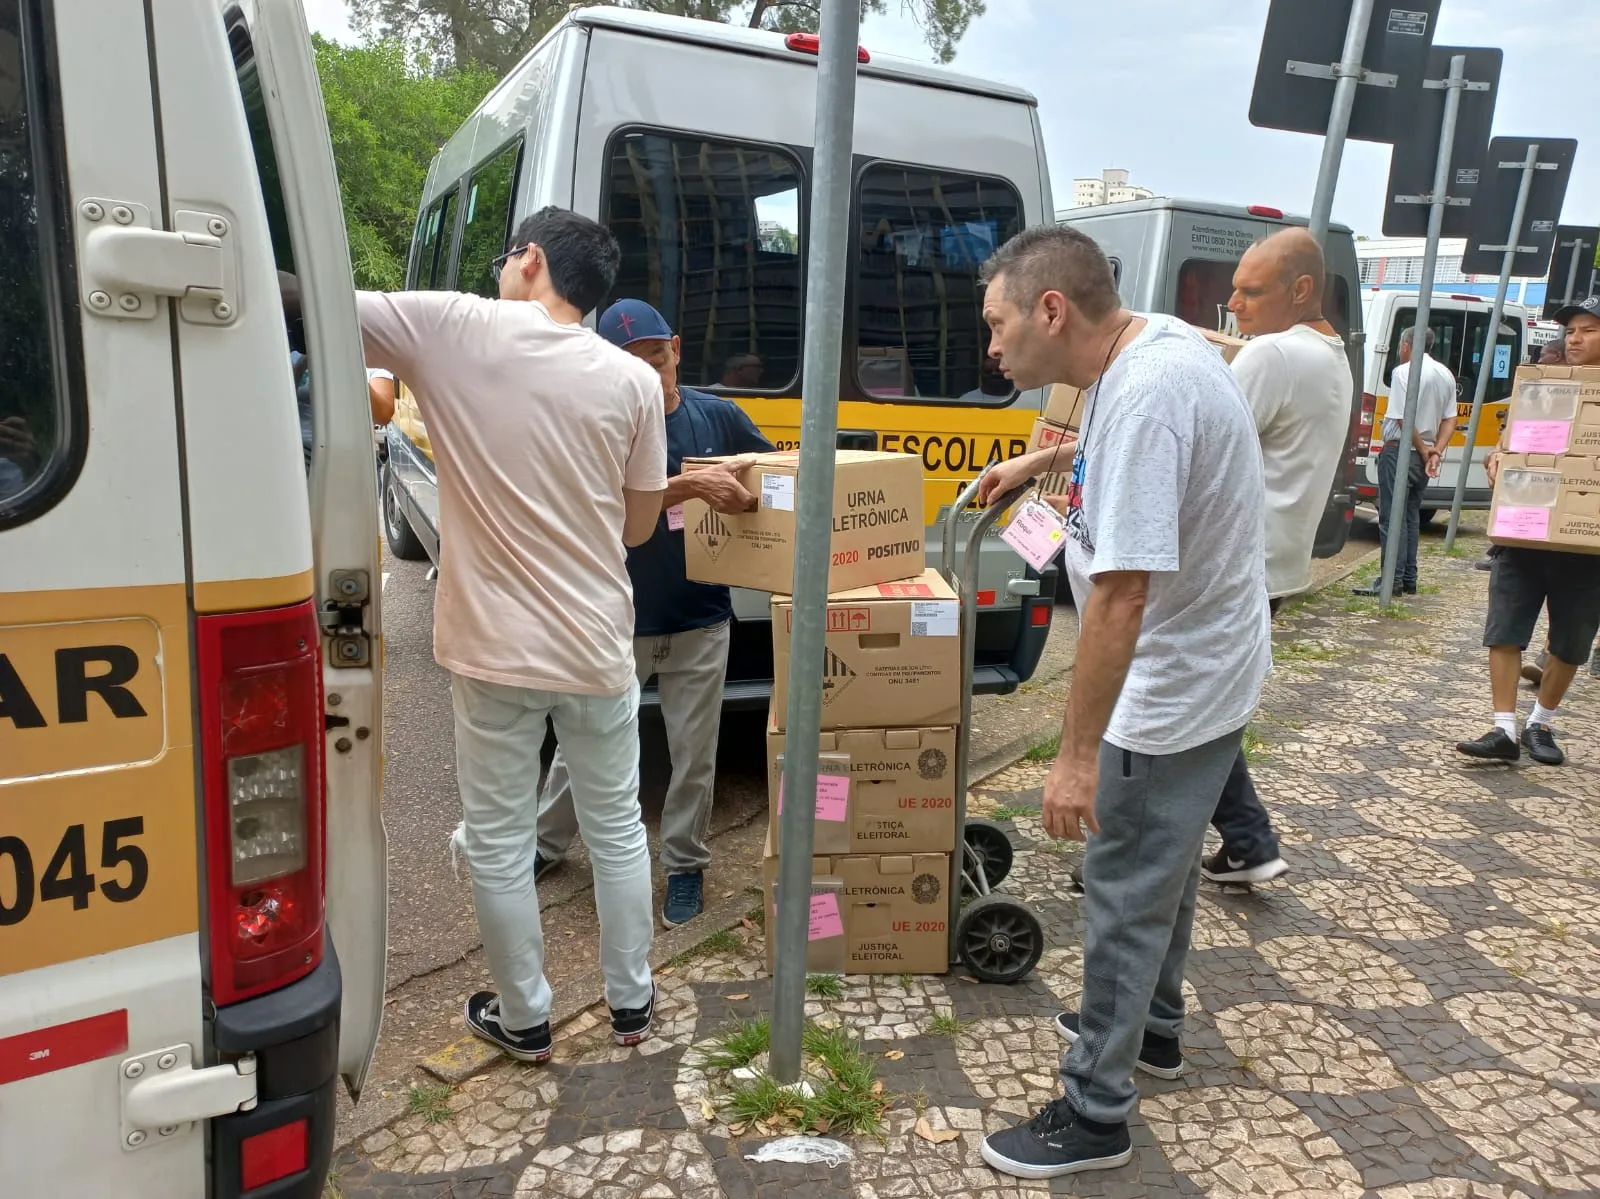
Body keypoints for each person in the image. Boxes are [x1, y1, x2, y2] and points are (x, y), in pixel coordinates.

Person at [971, 226, 1270, 1181]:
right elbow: (1117, 470)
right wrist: (1037, 468)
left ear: (1051, 311)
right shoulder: (1148, 347)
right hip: (1215, 663)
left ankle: (1096, 1108)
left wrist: (1075, 754)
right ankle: (1158, 1030)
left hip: (1170, 678)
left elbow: (1123, 592)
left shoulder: (1143, 397)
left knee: (1124, 893)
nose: (992, 345)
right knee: (1169, 870)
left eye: (998, 322)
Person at [354, 207, 668, 1063]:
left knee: (497, 838)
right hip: (597, 643)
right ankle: (632, 1005)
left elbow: (322, 305)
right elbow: (640, 530)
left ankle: (525, 1016)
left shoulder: (450, 326)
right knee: (616, 829)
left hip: (491, 649)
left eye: (505, 257)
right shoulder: (633, 381)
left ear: (529, 258)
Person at [535, 300, 773, 927]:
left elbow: (775, 475)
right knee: (579, 744)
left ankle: (686, 866)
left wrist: (749, 497)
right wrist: (690, 485)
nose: (650, 374)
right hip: (616, 618)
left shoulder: (716, 415)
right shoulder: (596, 425)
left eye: (657, 359)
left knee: (695, 754)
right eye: (631, 364)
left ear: (675, 347)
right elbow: (598, 505)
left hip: (701, 616)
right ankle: (545, 843)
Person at [1193, 228, 1351, 886]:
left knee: (1182, 707)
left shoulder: (1274, 358)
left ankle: (1219, 842)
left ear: (1301, 288)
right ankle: (1248, 841)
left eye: (1251, 290)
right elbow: (1266, 369)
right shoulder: (1329, 354)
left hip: (1229, 565)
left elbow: (1195, 447)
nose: (1233, 301)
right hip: (1276, 565)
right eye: (1234, 287)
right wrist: (1228, 349)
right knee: (1210, 705)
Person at [1458, 294, 1600, 765]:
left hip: (1587, 546)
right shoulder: (1539, 386)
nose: (1575, 338)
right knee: (1504, 630)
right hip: (1523, 532)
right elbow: (1508, 445)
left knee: (1570, 642)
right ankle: (1503, 729)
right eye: (1571, 330)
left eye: (1588, 330)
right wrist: (1498, 459)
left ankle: (1540, 723)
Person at [1354, 328, 1457, 597]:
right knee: (1411, 516)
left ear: (1406, 345)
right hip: (1421, 456)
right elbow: (1450, 419)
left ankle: (1391, 581)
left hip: (1400, 451)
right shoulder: (1445, 374)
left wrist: (1424, 449)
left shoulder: (1403, 372)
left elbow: (1402, 416)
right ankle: (1409, 577)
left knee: (1391, 518)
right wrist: (1435, 451)